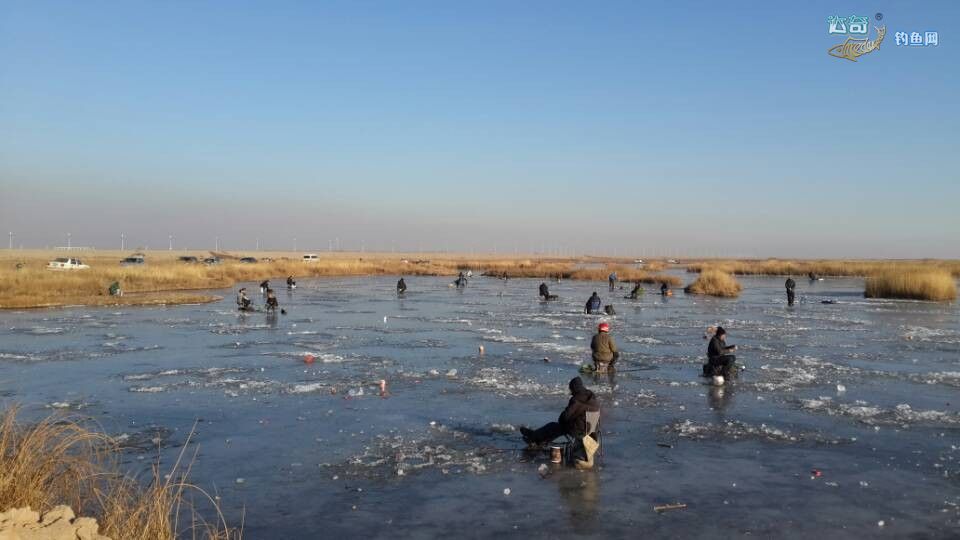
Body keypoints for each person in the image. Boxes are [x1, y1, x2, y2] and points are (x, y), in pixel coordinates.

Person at [520, 377, 599, 447]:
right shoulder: (592, 397)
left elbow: (565, 416)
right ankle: (538, 441)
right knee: (559, 428)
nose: (571, 392)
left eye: (571, 389)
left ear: (574, 388)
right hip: (591, 430)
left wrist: (562, 420)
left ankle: (533, 436)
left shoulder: (576, 399)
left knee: (554, 426)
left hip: (579, 432)